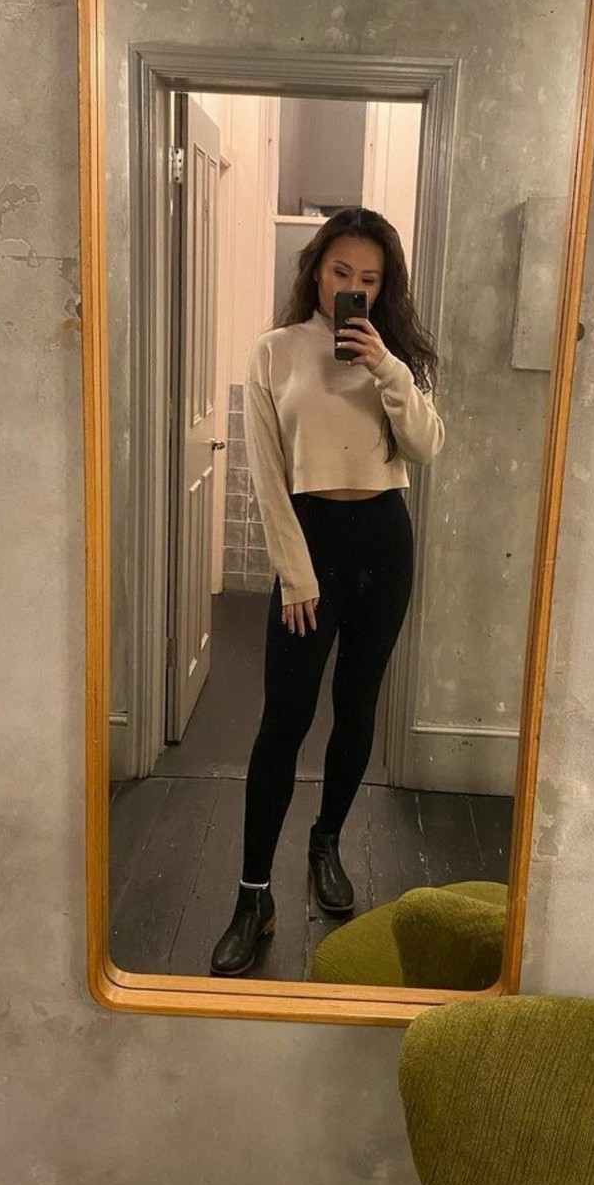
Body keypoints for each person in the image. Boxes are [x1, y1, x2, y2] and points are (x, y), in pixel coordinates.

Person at [209, 207, 445, 977]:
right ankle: (253, 895)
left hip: (383, 540)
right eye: (342, 272)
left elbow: (426, 446)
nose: (354, 288)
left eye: (369, 279)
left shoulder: (393, 357)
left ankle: (327, 841)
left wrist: (387, 367)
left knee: (357, 706)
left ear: (384, 288)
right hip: (309, 538)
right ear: (316, 269)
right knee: (283, 720)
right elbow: (265, 472)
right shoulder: (275, 352)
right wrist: (296, 571)